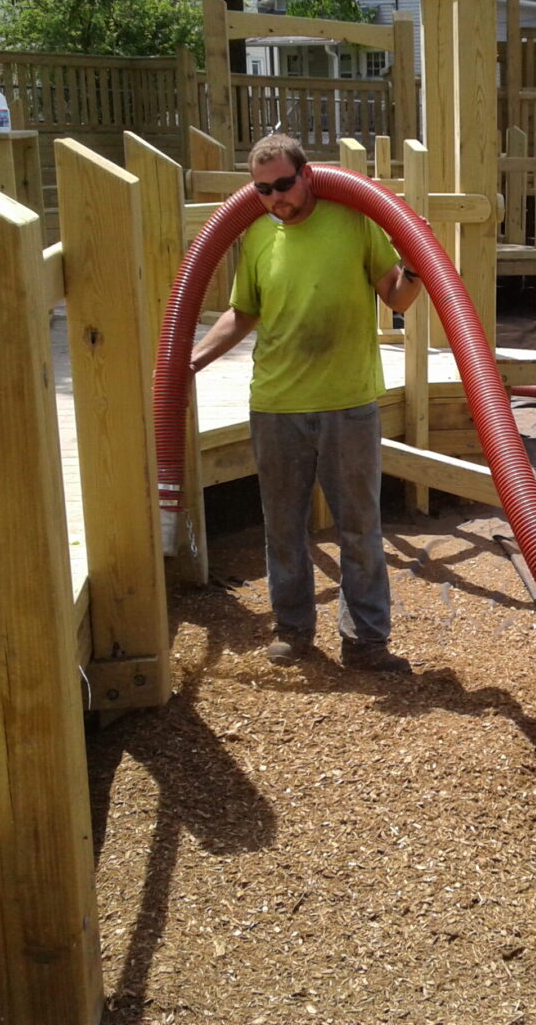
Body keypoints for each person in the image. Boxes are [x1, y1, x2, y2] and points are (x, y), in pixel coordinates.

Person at [189, 133, 423, 672]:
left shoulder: (351, 219)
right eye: (264, 189)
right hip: (276, 404)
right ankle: (293, 631)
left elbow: (397, 295)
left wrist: (415, 265)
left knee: (359, 527)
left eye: (284, 184)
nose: (276, 198)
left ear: (308, 175)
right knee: (283, 527)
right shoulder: (256, 236)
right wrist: (195, 359)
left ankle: (366, 641)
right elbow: (243, 312)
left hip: (347, 402)